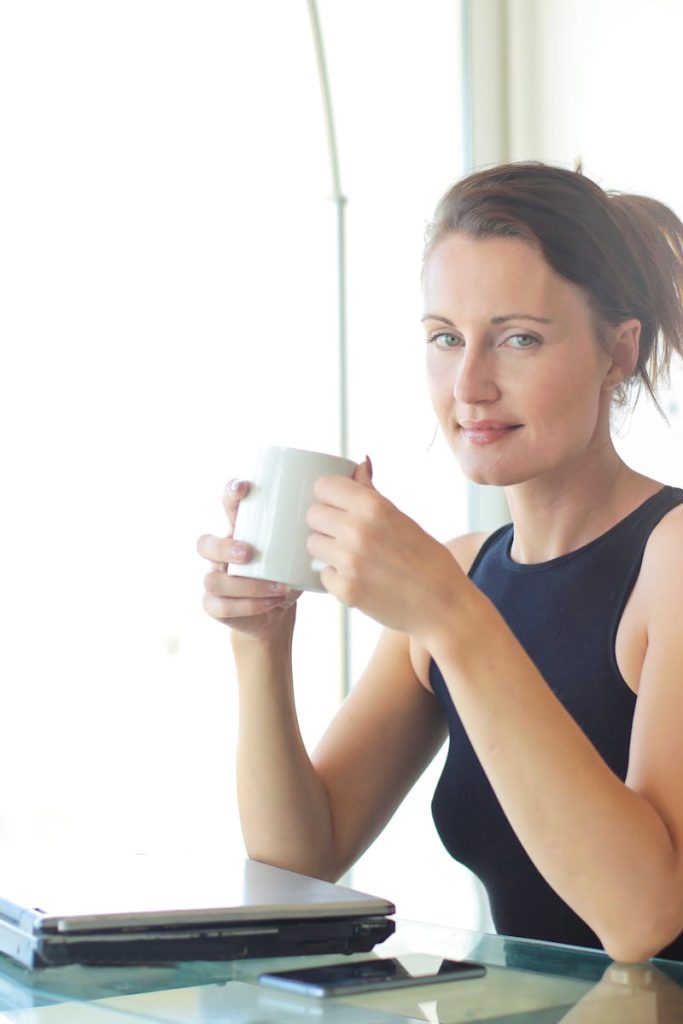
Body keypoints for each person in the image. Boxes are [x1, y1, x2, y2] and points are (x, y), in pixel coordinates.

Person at [197, 162, 683, 963]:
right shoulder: (458, 575)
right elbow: (300, 861)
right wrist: (260, 640)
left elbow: (641, 918)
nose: (469, 384)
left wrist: (448, 617)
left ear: (617, 353)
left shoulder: (669, 559)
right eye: (445, 339)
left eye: (518, 338)